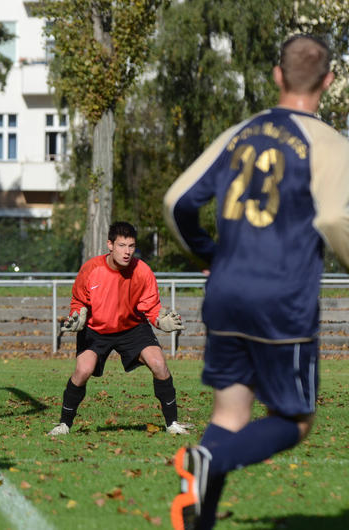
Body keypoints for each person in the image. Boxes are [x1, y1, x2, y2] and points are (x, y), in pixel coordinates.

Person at [163, 35, 349, 530]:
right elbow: (334, 218)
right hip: (282, 301)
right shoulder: (329, 143)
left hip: (226, 293)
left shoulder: (239, 133)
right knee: (296, 420)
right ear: (329, 81)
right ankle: (209, 461)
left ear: (277, 75)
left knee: (229, 415)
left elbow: (177, 202)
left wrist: (209, 255)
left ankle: (197, 517)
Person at [47, 221, 191, 436]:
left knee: (159, 364)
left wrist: (161, 322)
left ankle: (172, 423)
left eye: (131, 246)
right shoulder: (91, 268)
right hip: (96, 329)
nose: (127, 252)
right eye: (122, 245)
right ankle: (64, 425)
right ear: (110, 245)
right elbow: (78, 301)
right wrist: (78, 316)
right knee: (83, 370)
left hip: (132, 327)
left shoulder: (142, 271)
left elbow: (151, 307)